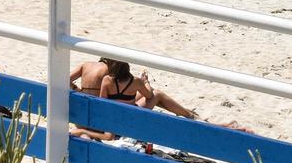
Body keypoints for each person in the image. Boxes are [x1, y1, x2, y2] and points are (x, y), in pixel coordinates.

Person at [69, 58, 200, 141]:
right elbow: (148, 95)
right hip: (115, 119)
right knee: (156, 94)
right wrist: (145, 82)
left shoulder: (92, 70)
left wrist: (78, 89)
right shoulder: (126, 78)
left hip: (83, 117)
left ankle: (184, 112)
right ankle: (188, 114)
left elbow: (103, 102)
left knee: (135, 96)